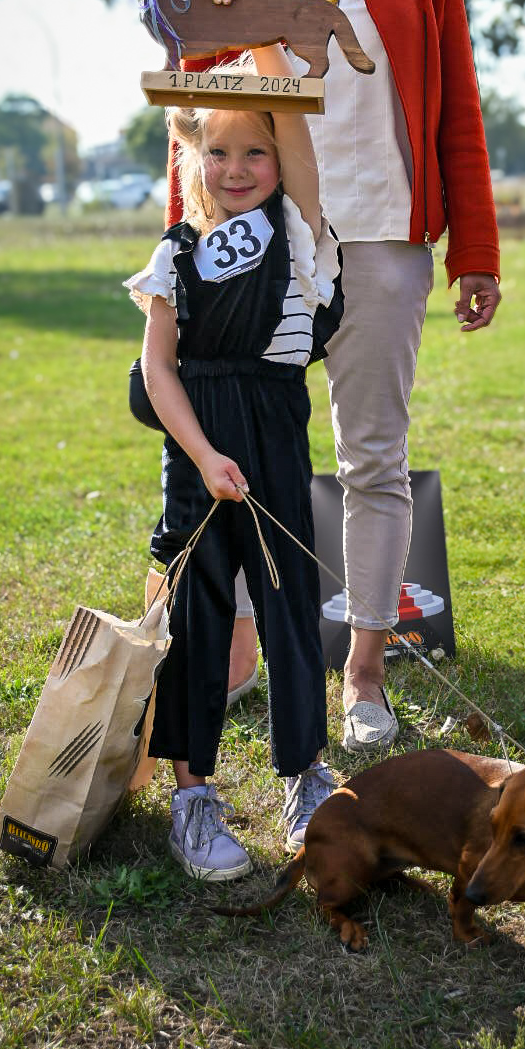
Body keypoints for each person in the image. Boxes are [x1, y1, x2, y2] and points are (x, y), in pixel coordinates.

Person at [165, 0, 501, 754]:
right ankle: (234, 654)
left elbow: (457, 105)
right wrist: (182, 240)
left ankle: (361, 667)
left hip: (385, 234)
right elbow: (186, 107)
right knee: (233, 457)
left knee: (373, 456)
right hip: (257, 238)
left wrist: (473, 246)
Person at [125, 55, 343, 880]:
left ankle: (306, 778)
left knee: (288, 605)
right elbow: (158, 370)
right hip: (198, 443)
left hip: (276, 427)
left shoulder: (298, 229)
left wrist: (261, 37)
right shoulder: (175, 251)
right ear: (194, 160)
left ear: (282, 162)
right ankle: (193, 797)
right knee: (198, 614)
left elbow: (295, 123)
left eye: (257, 152)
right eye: (219, 153)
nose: (238, 169)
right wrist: (204, 453)